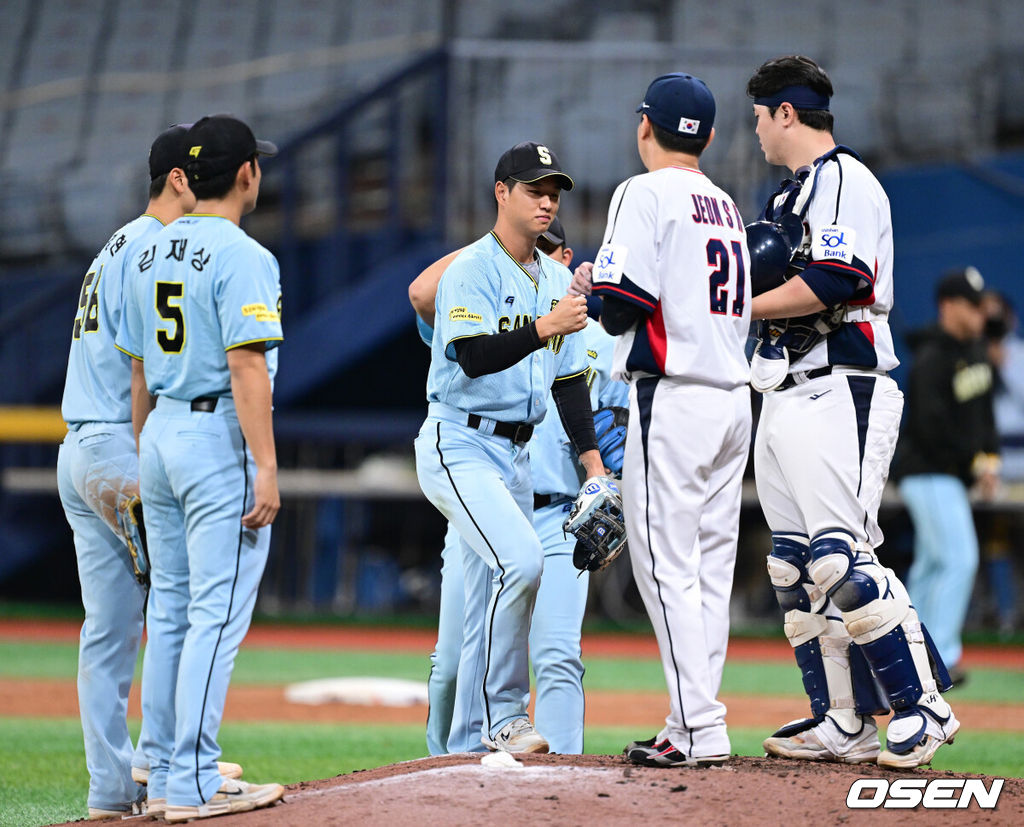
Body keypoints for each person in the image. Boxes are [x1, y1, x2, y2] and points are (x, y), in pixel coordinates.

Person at [745, 54, 958, 769]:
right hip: (783, 385)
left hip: (844, 382)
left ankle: (923, 706)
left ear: (785, 113)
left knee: (842, 556)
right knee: (792, 566)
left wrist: (734, 306)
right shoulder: (786, 198)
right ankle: (840, 720)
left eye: (758, 116)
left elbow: (841, 277)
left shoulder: (843, 180)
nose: (756, 132)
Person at [575, 73, 753, 767]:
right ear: (707, 136)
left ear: (643, 125)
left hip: (674, 397)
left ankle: (698, 728)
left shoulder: (643, 191)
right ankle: (696, 719)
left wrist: (595, 294)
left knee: (664, 566)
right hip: (733, 400)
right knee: (708, 569)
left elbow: (622, 305)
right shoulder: (726, 204)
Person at [116, 115, 285, 821]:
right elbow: (248, 364)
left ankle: (161, 772)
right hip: (217, 435)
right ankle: (192, 782)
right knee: (212, 616)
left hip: (160, 433)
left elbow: (137, 371)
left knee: (173, 613)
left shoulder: (150, 248)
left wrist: (143, 450)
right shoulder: (242, 251)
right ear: (247, 171)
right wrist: (267, 465)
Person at [413, 142, 606, 754]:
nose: (547, 200)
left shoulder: (554, 279)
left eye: (554, 191)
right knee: (520, 563)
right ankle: (504, 716)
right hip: (459, 441)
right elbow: (470, 355)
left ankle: (468, 745)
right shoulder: (469, 268)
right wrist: (546, 325)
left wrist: (594, 466)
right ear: (501, 192)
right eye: (533, 189)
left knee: (481, 610)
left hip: (515, 457)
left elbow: (571, 382)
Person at [57, 125, 200, 820]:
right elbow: (149, 365)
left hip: (78, 449)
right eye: (203, 170)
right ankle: (167, 764)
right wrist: (156, 459)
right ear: (178, 178)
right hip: (119, 444)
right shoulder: (158, 248)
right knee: (187, 597)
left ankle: (110, 792)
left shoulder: (117, 239)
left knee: (108, 631)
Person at [894, 268, 1000, 684]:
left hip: (952, 474)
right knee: (958, 558)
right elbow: (932, 428)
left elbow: (984, 417)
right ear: (948, 306)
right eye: (971, 305)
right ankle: (940, 658)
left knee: (932, 565)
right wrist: (974, 461)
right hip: (928, 471)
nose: (979, 313)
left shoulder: (976, 352)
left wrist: (988, 459)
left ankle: (906, 650)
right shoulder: (932, 358)